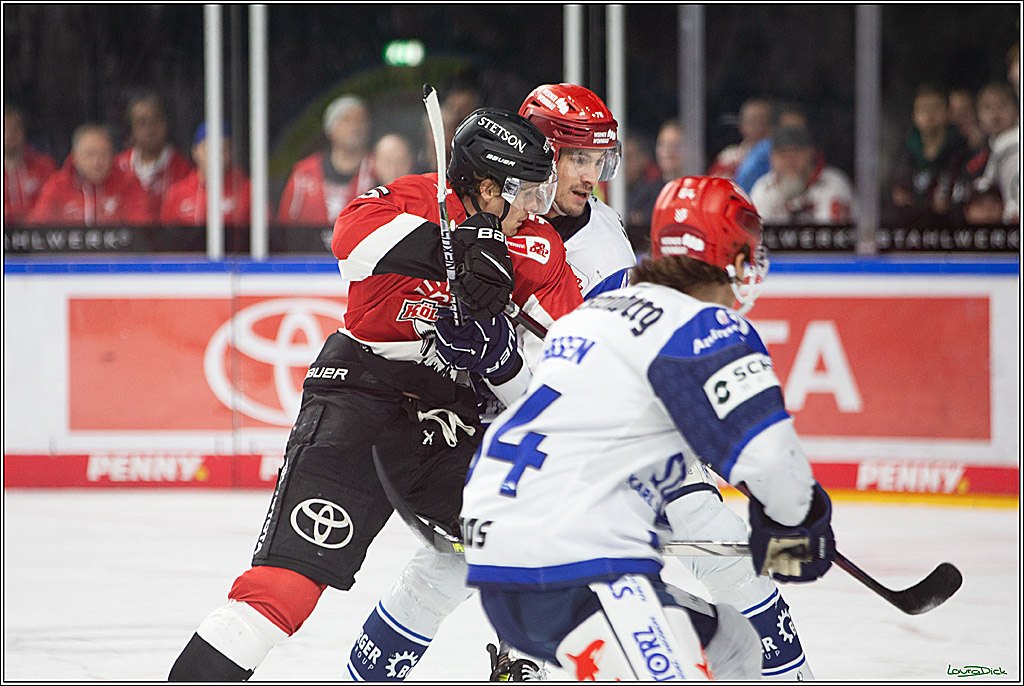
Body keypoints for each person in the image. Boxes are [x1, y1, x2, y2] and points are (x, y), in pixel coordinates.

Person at [167, 107, 582, 681]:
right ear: (488, 187)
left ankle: (516, 666)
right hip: (359, 398)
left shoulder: (538, 249)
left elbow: (562, 392)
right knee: (281, 592)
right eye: (529, 193)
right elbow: (350, 241)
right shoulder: (410, 200)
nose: (539, 210)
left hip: (448, 421)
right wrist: (459, 247)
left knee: (544, 525)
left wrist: (502, 359)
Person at [461, 175, 835, 681]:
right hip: (578, 561)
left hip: (496, 551)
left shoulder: (590, 317)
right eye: (747, 252)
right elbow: (774, 467)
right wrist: (796, 528)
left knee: (734, 648)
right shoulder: (709, 326)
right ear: (730, 255)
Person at [25, 123, 153, 226]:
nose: (97, 161)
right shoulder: (58, 185)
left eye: (103, 154)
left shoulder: (129, 182)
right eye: (90, 154)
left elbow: (142, 231)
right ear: (75, 157)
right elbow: (37, 228)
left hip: (118, 257)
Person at [277, 95, 376, 227]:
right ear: (330, 129)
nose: (355, 127)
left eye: (360, 120)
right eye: (347, 120)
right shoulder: (303, 174)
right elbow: (284, 227)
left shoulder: (378, 170)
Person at [886, 84, 971, 228]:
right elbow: (896, 196)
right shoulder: (904, 152)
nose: (929, 115)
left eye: (935, 108)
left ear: (948, 113)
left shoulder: (962, 151)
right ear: (914, 116)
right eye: (923, 109)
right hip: (911, 233)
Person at [749, 125, 854, 225]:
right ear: (771, 158)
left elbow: (836, 239)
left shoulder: (834, 185)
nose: (790, 160)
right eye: (782, 154)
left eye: (797, 152)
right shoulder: (762, 189)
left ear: (811, 153)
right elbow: (755, 237)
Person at [113, 93, 193, 217]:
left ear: (165, 123)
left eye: (155, 120)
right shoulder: (117, 166)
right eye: (141, 122)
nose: (150, 128)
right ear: (131, 130)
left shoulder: (183, 168)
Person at [160, 121, 252, 227]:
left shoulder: (248, 190)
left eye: (222, 148)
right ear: (195, 152)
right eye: (209, 148)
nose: (216, 155)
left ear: (230, 152)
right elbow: (166, 238)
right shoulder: (177, 193)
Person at [733, 104, 809, 194]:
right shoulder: (759, 155)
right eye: (787, 129)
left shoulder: (810, 153)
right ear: (775, 129)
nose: (793, 135)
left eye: (798, 130)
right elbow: (741, 190)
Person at [973, 81, 1019, 224]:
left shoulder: (1016, 147)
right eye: (987, 107)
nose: (995, 114)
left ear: (1016, 109)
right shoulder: (993, 148)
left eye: (1002, 105)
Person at [4, 104, 58, 225]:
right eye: (4, 129)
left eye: (14, 129)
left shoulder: (45, 165)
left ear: (24, 131)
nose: (9, 135)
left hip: (39, 234)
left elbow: (54, 203)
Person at [707, 98, 772, 180]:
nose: (758, 126)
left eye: (763, 121)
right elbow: (715, 185)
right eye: (752, 121)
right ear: (741, 125)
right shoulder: (729, 157)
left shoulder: (779, 156)